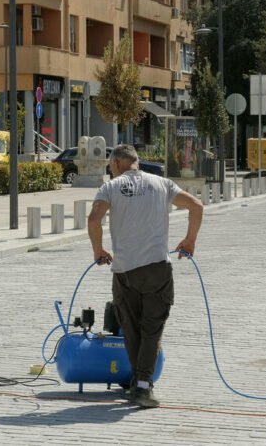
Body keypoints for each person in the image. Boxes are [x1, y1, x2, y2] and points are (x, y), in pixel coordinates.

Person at [87, 144, 203, 409]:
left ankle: (138, 383)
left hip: (124, 271)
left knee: (131, 329)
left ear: (116, 164)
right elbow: (196, 207)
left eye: (109, 166)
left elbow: (94, 220)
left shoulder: (110, 188)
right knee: (152, 329)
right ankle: (142, 386)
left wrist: (98, 250)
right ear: (135, 162)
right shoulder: (162, 184)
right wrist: (189, 241)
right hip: (156, 270)